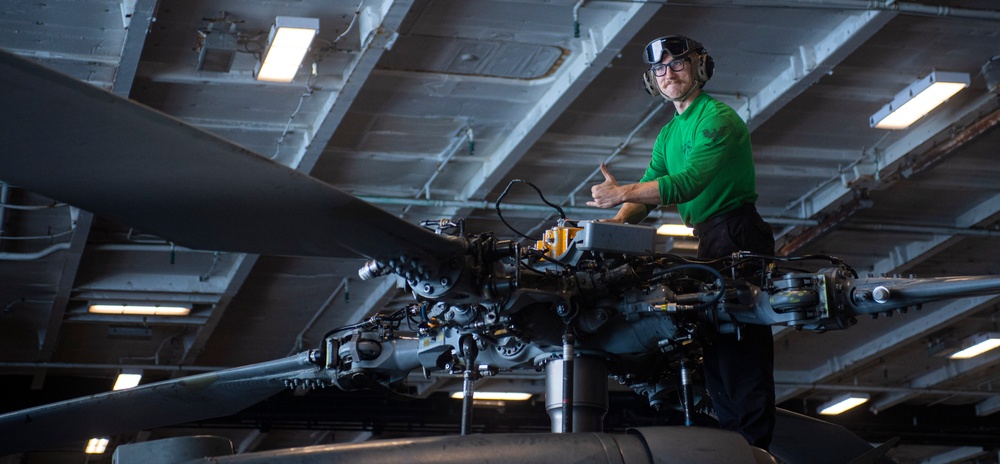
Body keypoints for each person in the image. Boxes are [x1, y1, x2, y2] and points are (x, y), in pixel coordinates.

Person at [587, 35, 776, 450]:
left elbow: (686, 183)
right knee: (717, 356)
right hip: (709, 239)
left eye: (677, 64)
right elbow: (646, 197)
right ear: (651, 79)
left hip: (739, 232)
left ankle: (757, 450)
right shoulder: (668, 135)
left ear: (700, 68)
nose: (668, 74)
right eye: (660, 69)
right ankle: (737, 449)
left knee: (742, 352)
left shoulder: (717, 119)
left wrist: (623, 193)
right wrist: (608, 227)